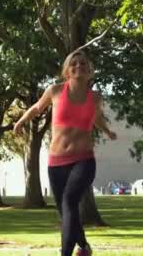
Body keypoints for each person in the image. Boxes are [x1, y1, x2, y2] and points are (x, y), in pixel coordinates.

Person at [13, 50, 117, 256]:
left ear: (90, 71)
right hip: (56, 162)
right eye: (74, 64)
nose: (79, 66)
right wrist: (21, 121)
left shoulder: (95, 97)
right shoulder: (55, 91)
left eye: (83, 64)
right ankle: (84, 247)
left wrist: (107, 131)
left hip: (84, 160)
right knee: (65, 211)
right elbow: (37, 107)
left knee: (69, 202)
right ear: (67, 71)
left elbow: (96, 118)